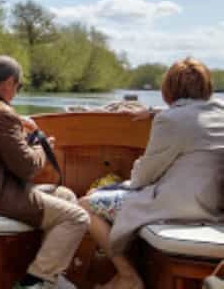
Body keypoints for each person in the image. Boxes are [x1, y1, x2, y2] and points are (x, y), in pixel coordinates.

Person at [80, 58, 224, 289]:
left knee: (85, 205)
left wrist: (130, 177)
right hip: (215, 206)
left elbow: (143, 176)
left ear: (169, 89)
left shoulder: (171, 120)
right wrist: (153, 111)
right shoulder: (219, 111)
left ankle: (128, 276)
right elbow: (193, 114)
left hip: (181, 207)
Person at [0, 55, 89, 289]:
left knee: (66, 195)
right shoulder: (1, 114)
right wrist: (44, 148)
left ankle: (50, 275)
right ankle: (35, 281)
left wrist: (17, 123)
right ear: (9, 82)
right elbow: (27, 168)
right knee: (77, 218)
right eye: (19, 86)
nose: (17, 92)